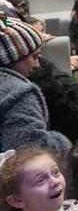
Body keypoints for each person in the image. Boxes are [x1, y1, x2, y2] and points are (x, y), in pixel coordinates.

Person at [0, 17, 70, 154]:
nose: (37, 65)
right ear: (12, 57)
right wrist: (60, 142)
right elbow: (30, 152)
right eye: (34, 57)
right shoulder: (19, 94)